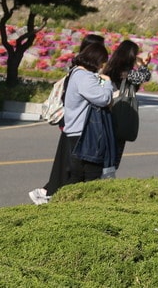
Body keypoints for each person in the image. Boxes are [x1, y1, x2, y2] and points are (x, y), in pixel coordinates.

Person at [29, 40, 112, 204]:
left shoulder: (76, 73)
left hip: (73, 130)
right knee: (83, 175)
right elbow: (103, 98)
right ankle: (57, 201)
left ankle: (54, 198)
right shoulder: (84, 77)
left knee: (73, 173)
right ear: (96, 59)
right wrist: (107, 82)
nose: (103, 66)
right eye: (102, 62)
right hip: (81, 133)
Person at [101, 39, 152, 179]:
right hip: (119, 114)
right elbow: (145, 76)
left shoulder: (110, 68)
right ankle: (106, 178)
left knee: (106, 149)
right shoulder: (125, 73)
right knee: (114, 150)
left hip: (107, 112)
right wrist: (143, 65)